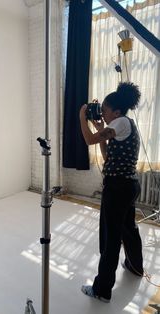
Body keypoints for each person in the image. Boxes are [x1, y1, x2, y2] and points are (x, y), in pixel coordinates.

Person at [79, 82, 143, 302]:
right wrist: (100, 130)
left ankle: (102, 290)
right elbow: (107, 157)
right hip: (128, 186)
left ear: (116, 111)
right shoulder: (124, 125)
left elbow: (88, 140)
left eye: (105, 110)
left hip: (117, 188)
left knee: (111, 239)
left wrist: (82, 117)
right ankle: (135, 266)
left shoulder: (120, 122)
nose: (102, 114)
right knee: (128, 228)